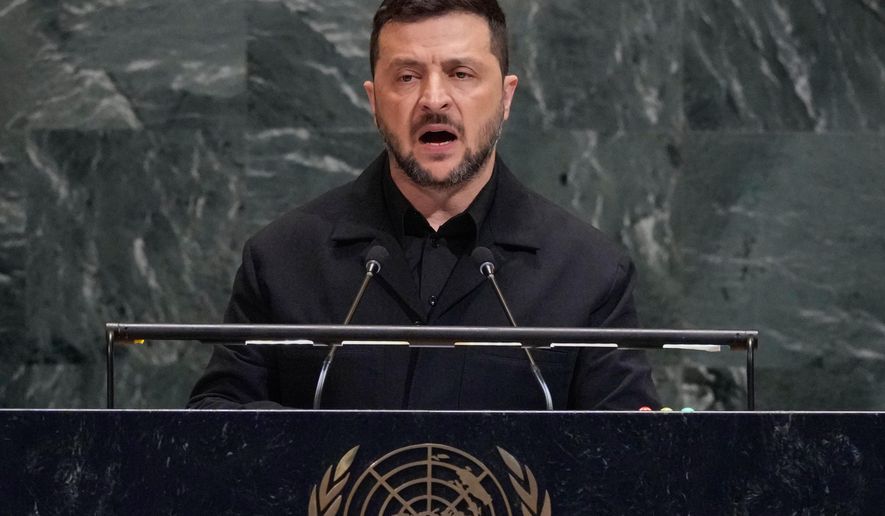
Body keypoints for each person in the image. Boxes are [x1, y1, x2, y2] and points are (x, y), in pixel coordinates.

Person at [188, 0, 658, 410]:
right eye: (407, 77)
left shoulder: (589, 272)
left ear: (506, 97)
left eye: (461, 74)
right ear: (374, 101)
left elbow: (627, 462)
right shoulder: (282, 259)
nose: (434, 99)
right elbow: (217, 418)